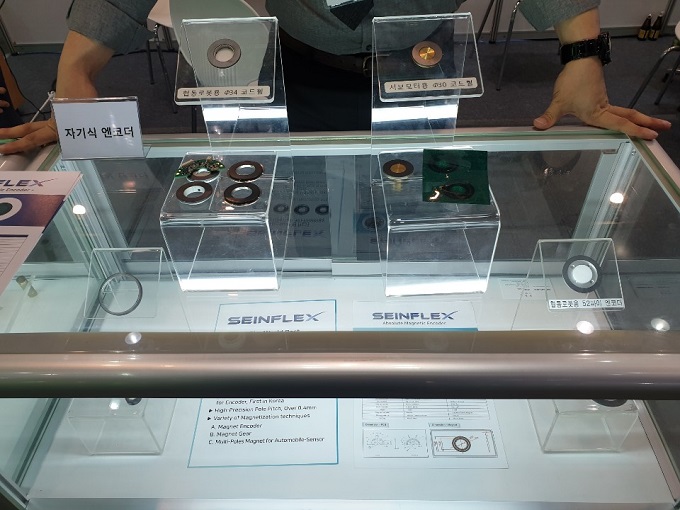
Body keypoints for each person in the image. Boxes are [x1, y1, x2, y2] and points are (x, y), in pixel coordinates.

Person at [0, 0, 671, 154]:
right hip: (300, 64)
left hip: (424, 64)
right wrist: (75, 74)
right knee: (298, 199)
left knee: (418, 201)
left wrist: (584, 59)